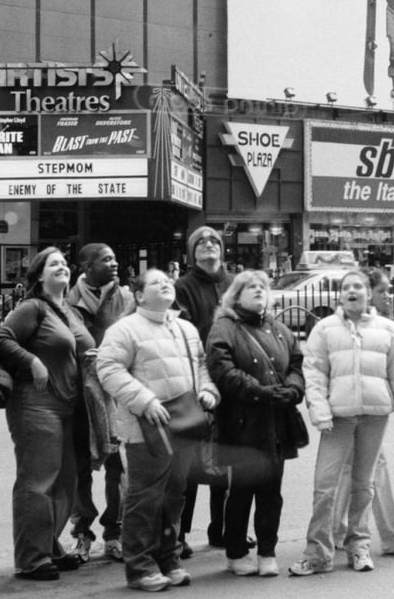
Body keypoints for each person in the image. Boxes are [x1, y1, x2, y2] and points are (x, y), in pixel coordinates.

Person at [290, 269, 394, 575]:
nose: (353, 291)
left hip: (374, 418)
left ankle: (359, 546)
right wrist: (319, 411)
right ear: (339, 295)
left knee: (364, 485)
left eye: (358, 286)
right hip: (338, 419)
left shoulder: (387, 329)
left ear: (367, 292)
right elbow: (315, 373)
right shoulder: (324, 329)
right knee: (325, 486)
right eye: (347, 287)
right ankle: (317, 553)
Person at [98, 268, 218, 592]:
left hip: (185, 422)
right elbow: (107, 368)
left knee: (174, 495)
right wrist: (144, 400)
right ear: (138, 295)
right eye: (155, 282)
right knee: (145, 497)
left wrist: (208, 391)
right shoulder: (125, 329)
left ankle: (169, 558)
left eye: (167, 280)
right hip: (145, 428)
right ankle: (140, 566)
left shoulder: (186, 328)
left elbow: (202, 365)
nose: (165, 283)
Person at [0, 248, 96, 580]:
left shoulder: (70, 311)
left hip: (69, 405)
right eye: (54, 264)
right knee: (37, 482)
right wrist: (32, 360)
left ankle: (49, 544)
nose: (63, 267)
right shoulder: (32, 307)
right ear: (39, 275)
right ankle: (31, 557)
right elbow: (3, 340)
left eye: (65, 264)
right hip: (35, 403)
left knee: (66, 481)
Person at [205, 271, 305, 577]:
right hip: (242, 423)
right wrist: (261, 393)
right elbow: (223, 370)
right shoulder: (224, 327)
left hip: (276, 422)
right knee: (242, 491)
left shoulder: (278, 328)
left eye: (262, 286)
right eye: (251, 286)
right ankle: (236, 552)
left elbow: (297, 364)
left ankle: (267, 551)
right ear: (236, 295)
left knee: (271, 492)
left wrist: (293, 389)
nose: (259, 290)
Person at [331, 269, 394, 555]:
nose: (389, 296)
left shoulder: (386, 328)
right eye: (384, 290)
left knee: (358, 470)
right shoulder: (333, 327)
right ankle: (392, 533)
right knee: (370, 469)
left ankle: (337, 529)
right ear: (368, 291)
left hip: (371, 411)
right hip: (345, 411)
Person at [64, 242, 134, 563]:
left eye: (115, 257)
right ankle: (82, 533)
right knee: (80, 467)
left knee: (117, 466)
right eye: (106, 259)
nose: (114, 263)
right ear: (86, 266)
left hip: (115, 394)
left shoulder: (128, 299)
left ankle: (115, 532)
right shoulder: (66, 301)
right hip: (79, 395)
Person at [173, 226, 235, 558]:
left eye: (214, 241)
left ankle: (221, 529)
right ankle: (179, 534)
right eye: (201, 242)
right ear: (192, 252)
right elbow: (182, 335)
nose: (208, 245)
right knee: (191, 465)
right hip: (197, 385)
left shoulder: (233, 284)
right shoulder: (182, 287)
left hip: (231, 382)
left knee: (225, 460)